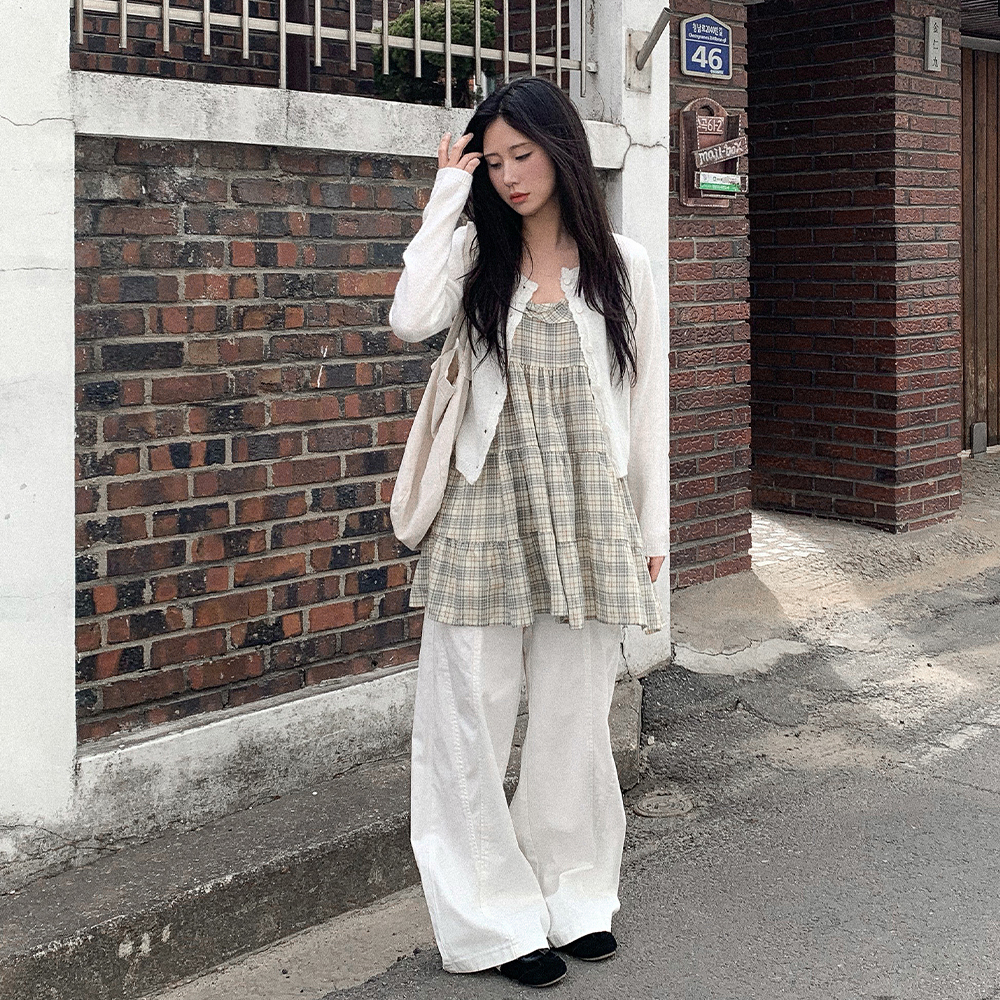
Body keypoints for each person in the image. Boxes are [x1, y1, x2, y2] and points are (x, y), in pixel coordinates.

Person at [389, 77, 668, 988]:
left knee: (573, 717)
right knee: (467, 715)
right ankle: (491, 921)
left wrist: (649, 525)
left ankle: (573, 894)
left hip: (588, 509)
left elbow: (646, 402)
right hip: (485, 505)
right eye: (494, 160)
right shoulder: (476, 253)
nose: (510, 175)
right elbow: (409, 318)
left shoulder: (624, 263)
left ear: (563, 151)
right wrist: (447, 193)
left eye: (524, 154)